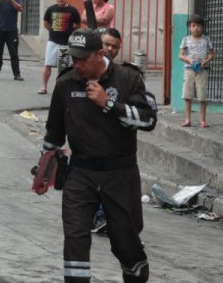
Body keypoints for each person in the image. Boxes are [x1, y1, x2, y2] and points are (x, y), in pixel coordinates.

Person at [41, 28, 156, 283]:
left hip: (120, 174)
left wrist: (109, 104)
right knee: (75, 236)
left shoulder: (128, 78)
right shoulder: (65, 83)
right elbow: (54, 134)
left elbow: (148, 120)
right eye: (74, 58)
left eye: (83, 58)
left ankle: (136, 271)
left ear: (100, 54)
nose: (77, 64)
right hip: (80, 173)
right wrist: (43, 172)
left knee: (124, 239)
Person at [39, 0, 81, 94]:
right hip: (52, 42)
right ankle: (43, 87)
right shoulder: (51, 9)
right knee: (47, 64)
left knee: (64, 68)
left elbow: (78, 24)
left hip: (66, 44)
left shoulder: (73, 10)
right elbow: (46, 23)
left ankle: (62, 89)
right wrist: (53, 30)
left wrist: (70, 31)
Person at [179, 14, 214, 128]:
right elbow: (180, 56)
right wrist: (189, 60)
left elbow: (212, 54)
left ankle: (203, 120)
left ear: (202, 27)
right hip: (189, 70)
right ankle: (187, 119)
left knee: (202, 96)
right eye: (193, 25)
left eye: (199, 25)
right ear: (190, 27)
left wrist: (205, 61)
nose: (196, 28)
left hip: (202, 70)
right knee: (187, 96)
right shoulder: (185, 39)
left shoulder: (206, 39)